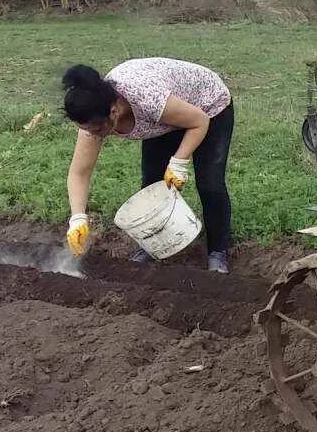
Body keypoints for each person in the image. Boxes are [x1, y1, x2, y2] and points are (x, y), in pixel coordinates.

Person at [61, 58, 235, 273]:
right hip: (162, 116)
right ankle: (153, 245)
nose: (92, 135)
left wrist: (179, 162)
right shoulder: (92, 117)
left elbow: (199, 121)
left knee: (210, 183)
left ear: (114, 113)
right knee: (152, 181)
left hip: (207, 107)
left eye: (96, 130)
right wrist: (78, 218)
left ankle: (217, 252)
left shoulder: (146, 98)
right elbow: (79, 173)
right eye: (86, 129)